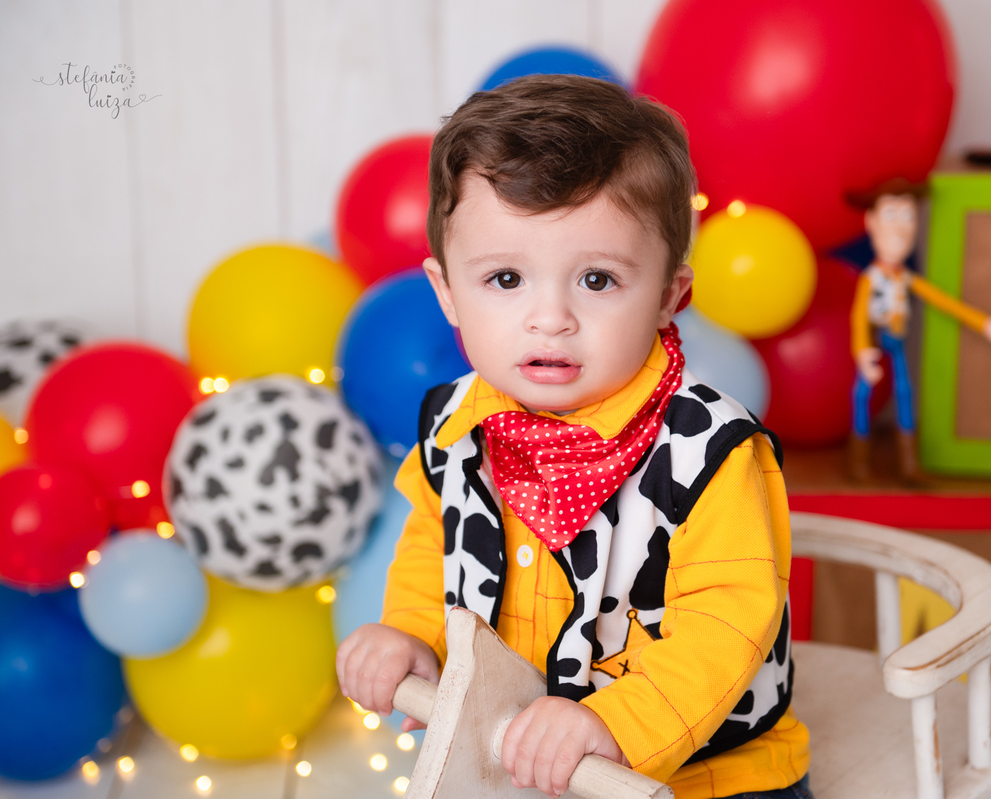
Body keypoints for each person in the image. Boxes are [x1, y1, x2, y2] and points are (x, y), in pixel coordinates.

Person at [335, 75, 810, 799]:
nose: (550, 317)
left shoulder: (707, 451)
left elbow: (727, 621)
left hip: (705, 776)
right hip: (520, 762)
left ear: (669, 295)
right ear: (447, 292)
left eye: (596, 280)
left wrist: (616, 723)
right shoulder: (455, 424)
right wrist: (409, 632)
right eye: (505, 279)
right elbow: (436, 545)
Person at [846, 179, 991, 482]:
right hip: (874, 340)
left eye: (908, 216)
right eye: (890, 215)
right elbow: (858, 318)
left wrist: (986, 324)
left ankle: (908, 463)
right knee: (861, 394)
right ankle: (858, 462)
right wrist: (862, 352)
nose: (900, 227)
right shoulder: (870, 279)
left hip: (896, 340)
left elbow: (946, 302)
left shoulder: (907, 278)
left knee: (905, 393)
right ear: (871, 221)